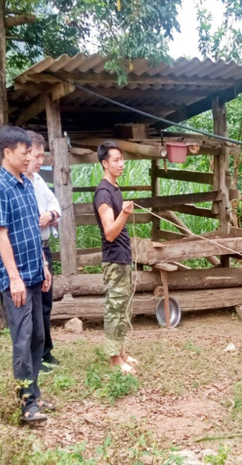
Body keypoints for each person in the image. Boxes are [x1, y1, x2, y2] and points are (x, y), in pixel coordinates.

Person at [0, 125, 56, 423]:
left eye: (30, 152)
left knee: (38, 335)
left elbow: (32, 229)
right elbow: (1, 235)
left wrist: (43, 264)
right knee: (23, 337)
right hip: (17, 278)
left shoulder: (27, 184)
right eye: (24, 152)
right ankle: (26, 402)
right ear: (7, 152)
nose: (29, 157)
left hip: (35, 271)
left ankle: (34, 393)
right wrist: (14, 278)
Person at [93, 140, 138, 374]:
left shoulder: (115, 188)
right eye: (116, 160)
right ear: (105, 163)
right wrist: (124, 214)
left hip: (122, 257)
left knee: (121, 308)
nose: (121, 164)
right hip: (113, 258)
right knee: (114, 308)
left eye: (122, 159)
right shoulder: (103, 193)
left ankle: (120, 353)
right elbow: (110, 233)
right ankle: (114, 360)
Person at [24, 131, 61, 374]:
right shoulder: (19, 184)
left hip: (45, 250)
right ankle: (34, 357)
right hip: (30, 251)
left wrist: (50, 215)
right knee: (32, 307)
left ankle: (45, 351)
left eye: (42, 156)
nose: (41, 161)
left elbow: (55, 206)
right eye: (37, 156)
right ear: (25, 154)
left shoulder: (38, 181)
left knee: (45, 303)